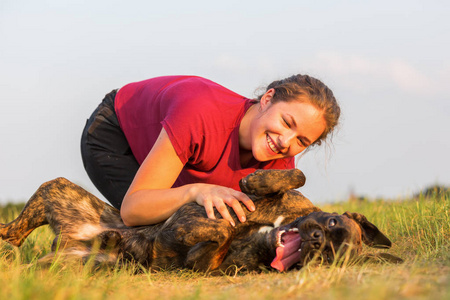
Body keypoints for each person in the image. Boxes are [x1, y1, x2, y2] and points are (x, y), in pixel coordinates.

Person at [81, 75, 340, 227]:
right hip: (116, 132)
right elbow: (133, 208)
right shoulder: (200, 116)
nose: (286, 142)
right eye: (286, 122)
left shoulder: (280, 155)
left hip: (176, 155)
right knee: (156, 232)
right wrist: (196, 190)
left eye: (301, 141)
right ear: (267, 99)